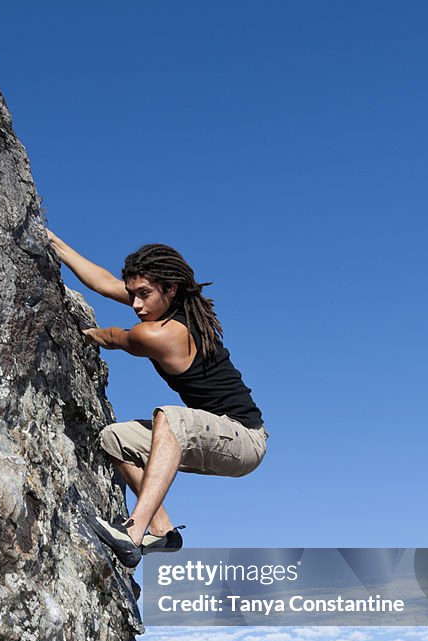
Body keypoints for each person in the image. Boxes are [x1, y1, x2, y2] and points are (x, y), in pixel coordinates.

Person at [47, 230, 268, 568]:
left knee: (171, 417)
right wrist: (54, 243)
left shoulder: (161, 334)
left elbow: (112, 337)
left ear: (170, 288)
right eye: (133, 294)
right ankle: (163, 531)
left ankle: (132, 532)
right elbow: (106, 283)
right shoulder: (165, 306)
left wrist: (87, 334)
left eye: (144, 294)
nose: (136, 304)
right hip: (211, 436)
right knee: (114, 439)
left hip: (244, 440)